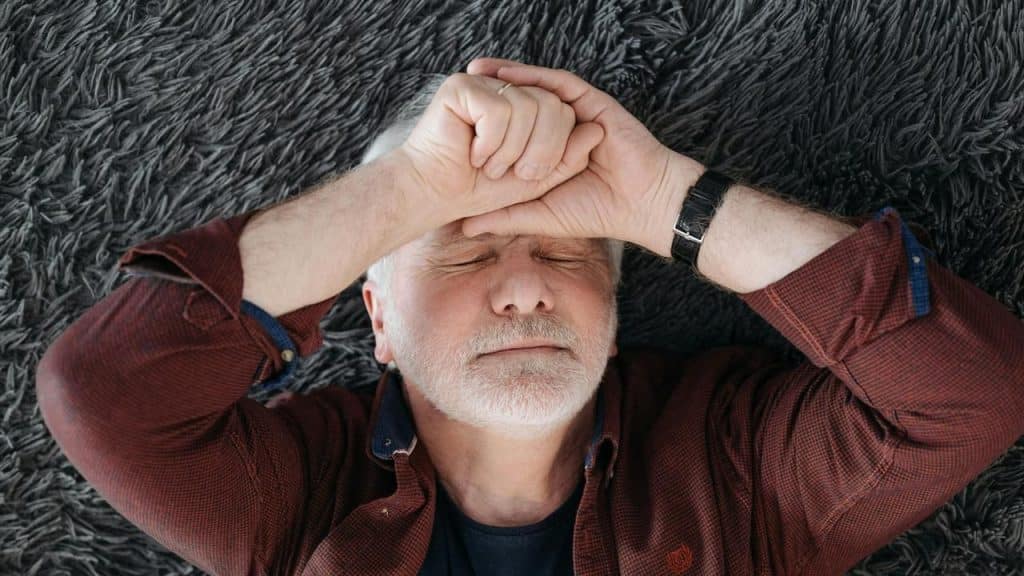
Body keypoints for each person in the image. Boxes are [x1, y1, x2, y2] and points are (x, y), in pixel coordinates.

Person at [34, 57, 1024, 576]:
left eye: (563, 253)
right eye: (463, 252)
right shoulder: (295, 496)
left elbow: (970, 395)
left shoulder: (739, 470)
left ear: (614, 301)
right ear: (373, 315)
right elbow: (105, 395)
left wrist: (659, 206)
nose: (523, 289)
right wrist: (405, 191)